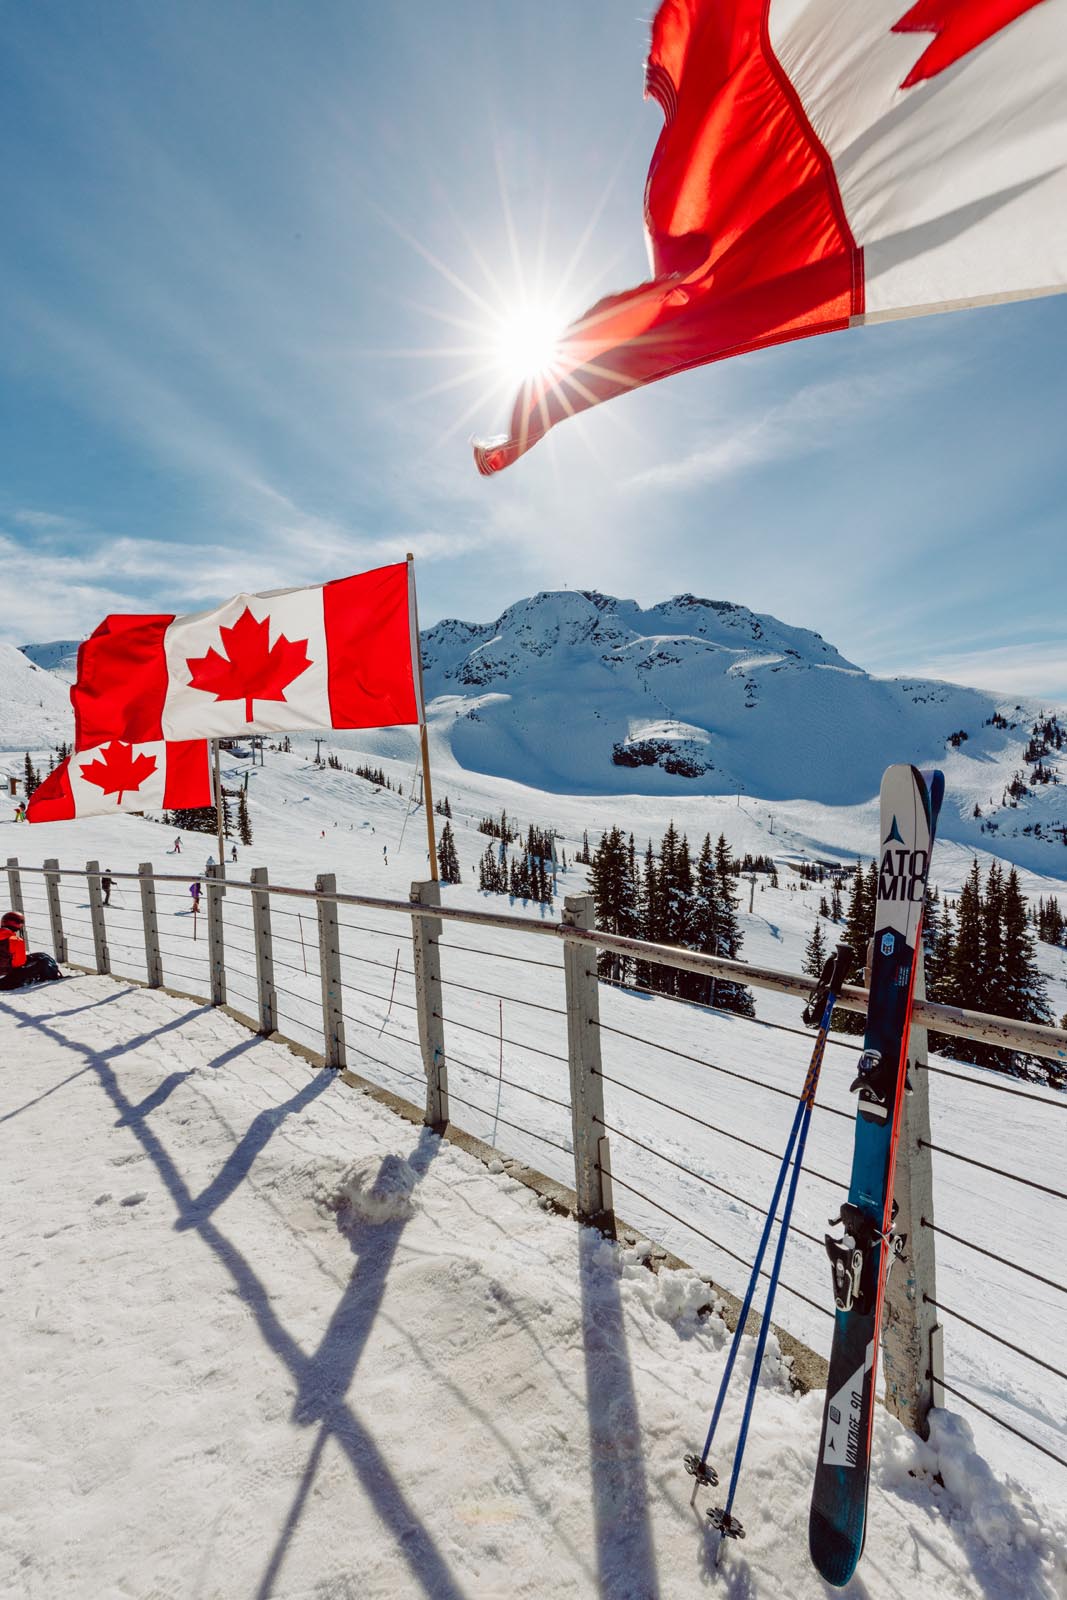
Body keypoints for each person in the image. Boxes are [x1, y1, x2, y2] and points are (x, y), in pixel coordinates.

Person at [0, 911, 62, 990]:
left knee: (38, 956)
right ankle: (50, 977)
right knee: (43, 960)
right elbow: (18, 964)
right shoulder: (16, 941)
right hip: (6, 980)